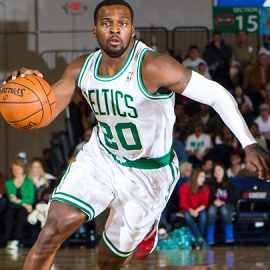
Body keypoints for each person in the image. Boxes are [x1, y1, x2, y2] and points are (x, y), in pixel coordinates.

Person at [3, 0, 270, 269]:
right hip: (102, 158)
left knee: (107, 262)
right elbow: (44, 111)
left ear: (133, 31)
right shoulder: (81, 68)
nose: (115, 29)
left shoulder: (154, 66)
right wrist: (27, 90)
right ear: (95, 31)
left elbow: (216, 95)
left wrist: (249, 143)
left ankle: (147, 226)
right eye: (107, 23)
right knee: (53, 229)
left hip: (149, 174)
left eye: (123, 23)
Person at [4, 160, 35, 250]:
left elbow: (31, 199)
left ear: (23, 170)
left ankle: (17, 239)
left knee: (21, 212)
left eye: (18, 169)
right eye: (14, 169)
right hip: (12, 206)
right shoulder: (8, 183)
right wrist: (25, 204)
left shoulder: (28, 182)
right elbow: (11, 199)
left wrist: (20, 202)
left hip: (22, 208)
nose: (16, 171)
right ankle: (7, 238)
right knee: (9, 212)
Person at [179, 168, 210, 249]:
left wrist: (196, 210)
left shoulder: (205, 188)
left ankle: (197, 241)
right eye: (201, 177)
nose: (203, 179)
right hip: (187, 209)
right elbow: (183, 202)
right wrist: (191, 210)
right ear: (195, 177)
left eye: (204, 177)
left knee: (203, 214)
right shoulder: (185, 187)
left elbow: (205, 203)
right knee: (186, 214)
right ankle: (199, 239)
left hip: (199, 209)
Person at [206, 163, 236, 245]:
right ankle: (210, 238)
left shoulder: (230, 183)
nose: (217, 173)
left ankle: (229, 237)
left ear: (224, 171)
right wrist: (214, 201)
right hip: (214, 205)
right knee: (211, 210)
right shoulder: (210, 183)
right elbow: (207, 196)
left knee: (224, 210)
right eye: (215, 171)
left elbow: (233, 198)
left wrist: (223, 202)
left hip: (228, 205)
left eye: (219, 170)